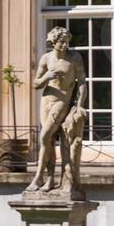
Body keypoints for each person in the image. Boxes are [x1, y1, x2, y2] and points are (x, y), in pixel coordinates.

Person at [25, 26, 88, 196]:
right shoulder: (46, 58)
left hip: (62, 101)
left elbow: (82, 82)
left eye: (67, 42)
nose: (65, 45)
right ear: (53, 42)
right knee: (49, 140)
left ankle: (38, 176)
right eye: (61, 42)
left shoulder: (74, 58)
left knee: (44, 136)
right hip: (46, 101)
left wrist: (79, 104)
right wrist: (47, 77)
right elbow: (35, 84)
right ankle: (50, 178)